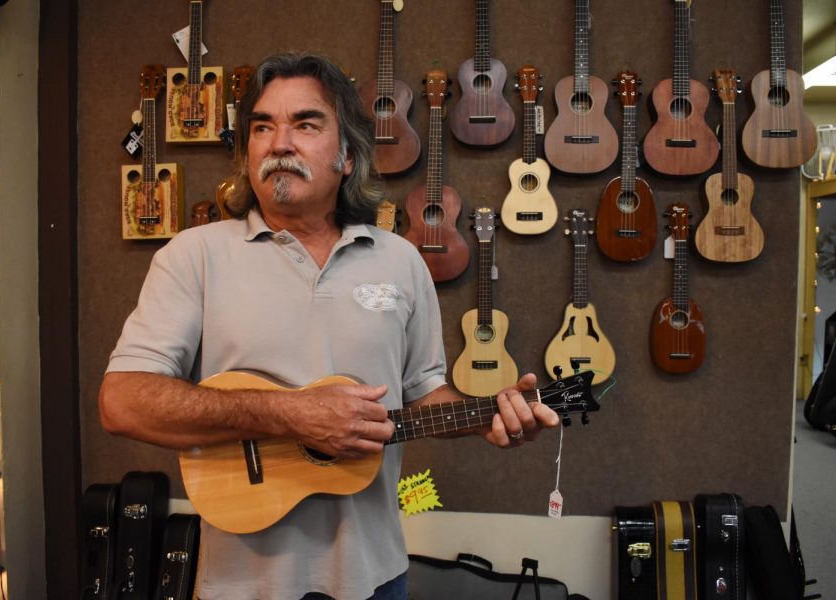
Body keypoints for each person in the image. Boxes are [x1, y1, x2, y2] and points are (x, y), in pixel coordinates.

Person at [99, 52, 559, 600]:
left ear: (347, 155)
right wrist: (293, 416)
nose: (279, 143)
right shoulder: (193, 256)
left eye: (305, 124)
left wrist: (489, 414)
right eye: (262, 127)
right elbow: (121, 401)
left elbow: (424, 396)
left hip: (374, 577)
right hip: (240, 585)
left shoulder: (402, 260)